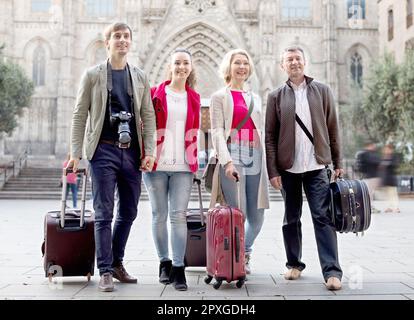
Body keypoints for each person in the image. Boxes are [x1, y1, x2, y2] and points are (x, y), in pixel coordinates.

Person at [67, 22, 156, 292]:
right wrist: (75, 153)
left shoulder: (139, 76)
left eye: (126, 36)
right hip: (103, 149)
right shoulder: (93, 75)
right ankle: (105, 269)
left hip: (132, 152)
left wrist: (150, 151)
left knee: (129, 211)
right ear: (107, 42)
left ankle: (116, 262)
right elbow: (80, 114)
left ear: (131, 42)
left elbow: (148, 114)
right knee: (104, 212)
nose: (122, 41)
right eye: (116, 36)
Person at [265, 46, 344, 291]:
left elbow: (333, 128)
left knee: (323, 217)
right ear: (282, 66)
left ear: (305, 62)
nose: (294, 63)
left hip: (316, 165)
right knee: (291, 218)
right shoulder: (276, 96)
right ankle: (294, 264)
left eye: (298, 58)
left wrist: (338, 162)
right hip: (288, 168)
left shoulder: (321, 91)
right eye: (289, 59)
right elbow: (269, 136)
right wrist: (273, 170)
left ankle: (332, 271)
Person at [143, 48, 200, 291]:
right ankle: (163, 262)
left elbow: (195, 130)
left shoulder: (195, 98)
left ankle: (179, 269)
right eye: (177, 63)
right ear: (170, 66)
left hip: (183, 166)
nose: (181, 67)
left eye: (185, 63)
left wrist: (198, 159)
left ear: (190, 67)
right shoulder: (155, 92)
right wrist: (146, 153)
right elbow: (143, 124)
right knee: (159, 215)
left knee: (178, 216)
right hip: (156, 164)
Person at [209, 49, 269, 274]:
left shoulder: (255, 98)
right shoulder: (219, 96)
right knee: (237, 213)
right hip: (232, 154)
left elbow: (261, 130)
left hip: (255, 154)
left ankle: (244, 252)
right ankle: (234, 263)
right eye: (237, 63)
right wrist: (227, 162)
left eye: (245, 63)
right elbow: (216, 132)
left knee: (257, 214)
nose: (242, 67)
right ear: (229, 67)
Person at [354, 141, 381, 212]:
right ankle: (369, 207)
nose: (374, 147)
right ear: (370, 146)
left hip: (366, 176)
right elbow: (376, 163)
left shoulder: (362, 153)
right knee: (369, 193)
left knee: (369, 193)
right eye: (373, 145)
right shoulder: (367, 154)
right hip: (370, 176)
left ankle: (368, 207)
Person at [380, 143, 400, 213]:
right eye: (385, 149)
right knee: (387, 194)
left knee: (393, 194)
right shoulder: (384, 157)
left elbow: (394, 164)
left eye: (387, 149)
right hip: (385, 179)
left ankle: (396, 207)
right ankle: (389, 207)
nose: (386, 150)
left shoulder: (394, 156)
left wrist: (386, 163)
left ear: (391, 150)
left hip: (391, 179)